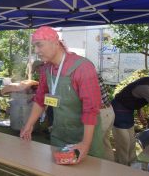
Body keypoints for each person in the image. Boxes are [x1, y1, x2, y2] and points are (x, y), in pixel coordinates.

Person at [20, 26, 104, 163]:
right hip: (59, 135)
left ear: (55, 42)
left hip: (85, 135)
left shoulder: (83, 67)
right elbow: (40, 99)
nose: (36, 51)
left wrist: (85, 144)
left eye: (39, 45)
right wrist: (29, 125)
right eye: (34, 46)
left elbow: (91, 109)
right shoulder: (46, 68)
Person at [111, 77, 149, 165]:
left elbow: (136, 96)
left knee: (131, 143)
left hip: (129, 110)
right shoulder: (146, 87)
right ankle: (122, 169)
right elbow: (140, 90)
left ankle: (132, 167)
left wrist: (139, 110)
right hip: (118, 109)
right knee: (124, 144)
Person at [98, 74, 115, 161]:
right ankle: (110, 169)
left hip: (101, 112)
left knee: (95, 144)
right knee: (105, 143)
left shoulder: (85, 70)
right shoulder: (89, 68)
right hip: (108, 111)